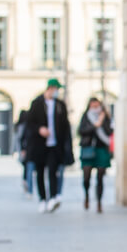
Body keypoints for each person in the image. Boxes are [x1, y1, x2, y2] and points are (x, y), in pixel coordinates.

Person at [25, 79, 71, 212]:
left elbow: (65, 126)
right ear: (50, 88)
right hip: (39, 144)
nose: (57, 92)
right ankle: (42, 199)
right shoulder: (37, 104)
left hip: (54, 145)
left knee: (52, 171)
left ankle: (52, 198)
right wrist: (40, 129)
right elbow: (30, 124)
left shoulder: (60, 105)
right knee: (40, 172)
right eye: (56, 89)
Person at [77, 98, 114, 212]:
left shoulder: (105, 117)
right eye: (93, 106)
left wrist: (102, 121)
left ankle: (99, 202)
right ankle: (87, 194)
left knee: (100, 177)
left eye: (97, 106)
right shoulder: (86, 116)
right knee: (86, 176)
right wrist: (95, 125)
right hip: (88, 148)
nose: (95, 108)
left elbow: (109, 132)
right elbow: (81, 131)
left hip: (101, 149)